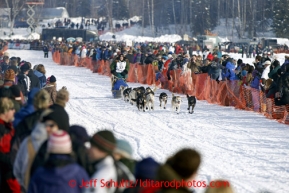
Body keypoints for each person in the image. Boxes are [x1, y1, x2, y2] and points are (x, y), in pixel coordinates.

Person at [0, 97, 21, 193]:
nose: (14, 111)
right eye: (11, 109)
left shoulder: (8, 126)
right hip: (7, 174)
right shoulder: (2, 129)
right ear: (5, 111)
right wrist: (11, 160)